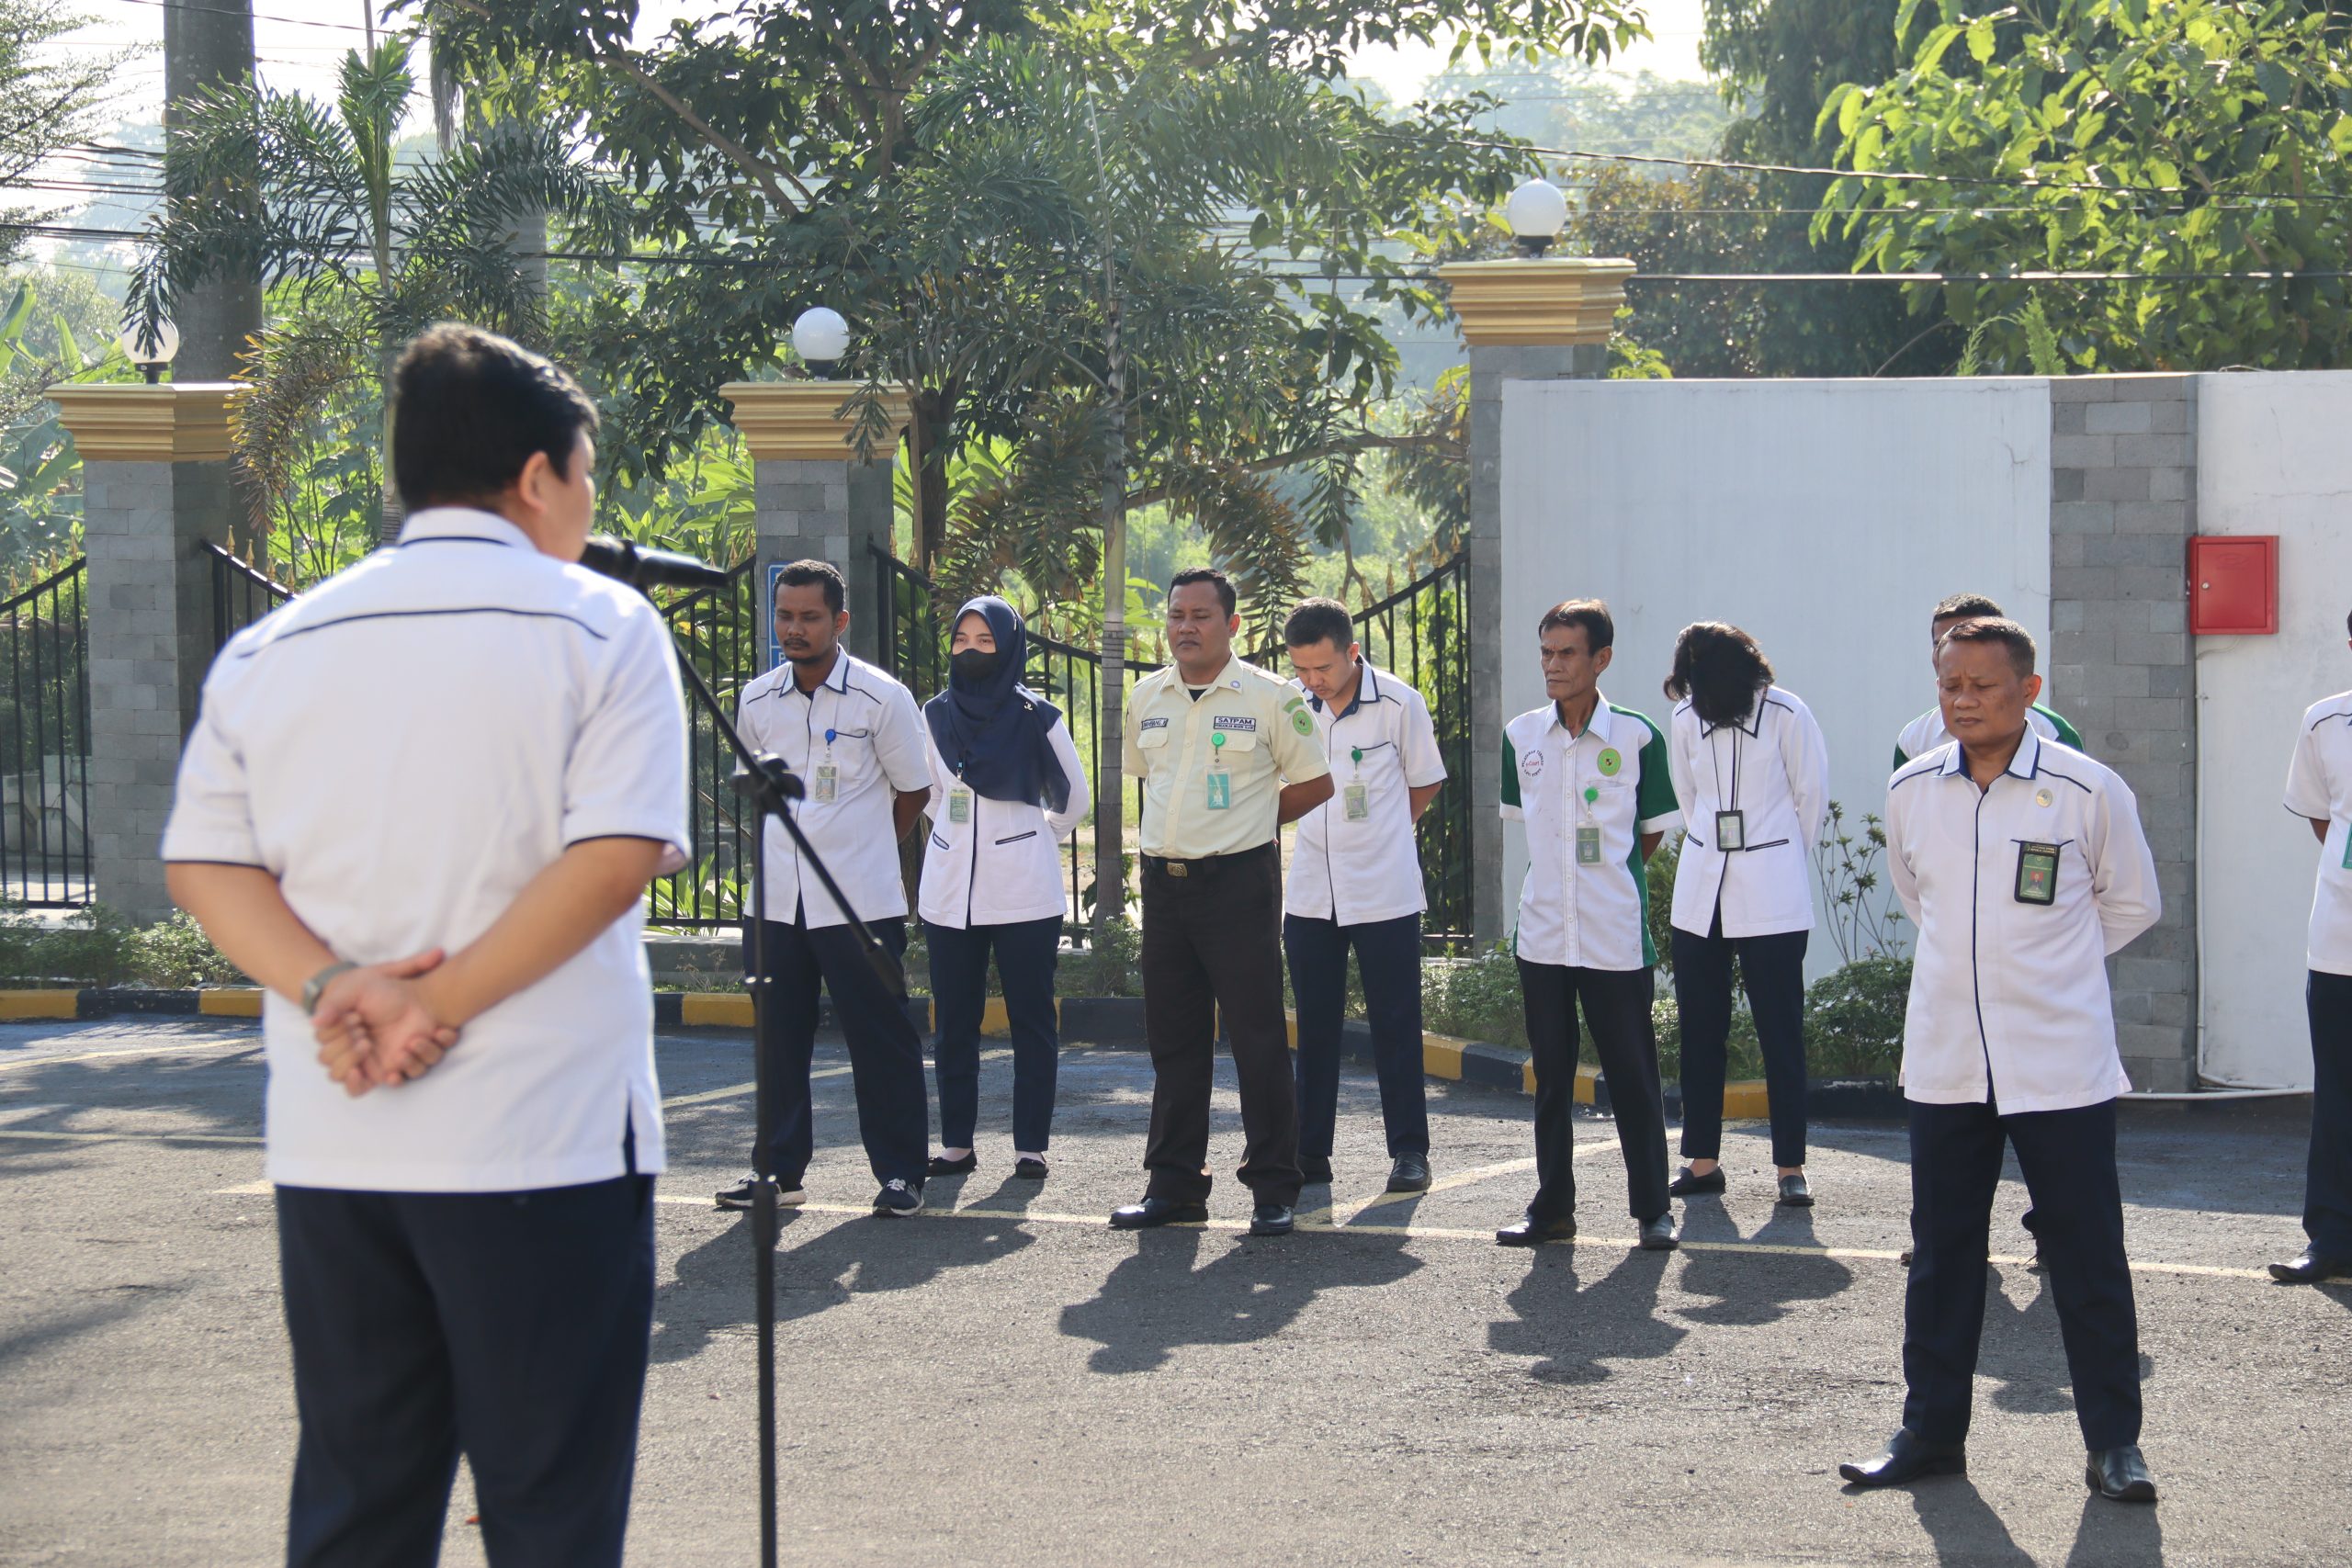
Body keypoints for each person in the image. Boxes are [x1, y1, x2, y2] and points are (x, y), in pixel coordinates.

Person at [163, 322, 690, 1566]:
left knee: (360, 1500)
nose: (589, 503)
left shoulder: (275, 646)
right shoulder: (601, 627)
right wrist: (432, 1006)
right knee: (548, 1508)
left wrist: (337, 986)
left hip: (338, 1137)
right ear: (537, 476)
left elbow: (207, 866)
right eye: (587, 473)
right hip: (543, 1138)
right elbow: (613, 859)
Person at [1843, 616, 2160, 1502]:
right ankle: (1930, 1433)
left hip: (2059, 1061)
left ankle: (2115, 1444)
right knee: (1943, 1255)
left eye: (1983, 685)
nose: (1965, 700)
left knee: (2087, 1256)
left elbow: (2130, 904)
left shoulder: (2086, 789)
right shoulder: (1912, 788)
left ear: (2030, 689)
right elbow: (1920, 898)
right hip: (1948, 1057)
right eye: (1951, 685)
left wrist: (2047, 969)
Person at [1112, 567, 1332, 1237]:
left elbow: (1316, 782)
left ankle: (1273, 1187)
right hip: (1165, 885)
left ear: (1232, 625)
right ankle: (1175, 1186)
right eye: (1176, 614)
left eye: (1201, 615)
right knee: (1174, 1041)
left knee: (1257, 1038)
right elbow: (1150, 778)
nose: (1186, 627)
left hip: (1238, 883)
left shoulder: (1271, 697)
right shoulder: (1146, 696)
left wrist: (1253, 818)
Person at [712, 560, 934, 1218]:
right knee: (777, 1039)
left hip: (858, 902)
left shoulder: (880, 697)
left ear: (840, 621)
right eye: (785, 615)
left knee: (880, 1037)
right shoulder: (757, 700)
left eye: (810, 617)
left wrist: (866, 851)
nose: (795, 628)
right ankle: (778, 1172)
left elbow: (914, 790)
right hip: (777, 902)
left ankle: (901, 1174)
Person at [1495, 600, 1681, 1252]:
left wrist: (1604, 882)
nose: (1553, 665)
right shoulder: (1521, 736)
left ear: (1601, 659)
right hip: (1544, 934)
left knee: (1632, 1076)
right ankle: (1552, 1209)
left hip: (1613, 936)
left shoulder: (1637, 737)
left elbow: (1649, 834)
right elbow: (1529, 824)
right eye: (1546, 652)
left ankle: (1653, 1209)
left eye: (1567, 653)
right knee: (1551, 1078)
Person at [919, 596, 1091, 1182]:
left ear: (1010, 645)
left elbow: (1075, 798)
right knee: (953, 1022)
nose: (971, 650)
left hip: (1023, 891)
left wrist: (1036, 835)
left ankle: (1030, 1147)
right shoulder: (934, 713)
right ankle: (956, 1144)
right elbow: (932, 793)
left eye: (985, 640)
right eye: (961, 639)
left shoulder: (1036, 715)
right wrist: (951, 838)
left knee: (1030, 1020)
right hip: (949, 891)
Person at [1283, 597, 1447, 1194]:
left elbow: (1424, 782)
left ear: (1352, 652)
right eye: (1302, 668)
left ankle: (1409, 1152)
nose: (1313, 680)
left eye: (1323, 667)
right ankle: (1309, 1153)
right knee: (1314, 1027)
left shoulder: (1400, 703)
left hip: (1384, 890)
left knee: (1396, 1024)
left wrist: (1386, 834)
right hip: (1310, 893)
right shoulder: (1289, 704)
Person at [1663, 623, 1828, 1207]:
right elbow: (1688, 797)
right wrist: (1717, 846)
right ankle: (1702, 1160)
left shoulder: (1787, 714)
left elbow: (1809, 799)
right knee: (1700, 1028)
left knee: (1780, 1030)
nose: (1693, 693)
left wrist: (1774, 858)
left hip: (1772, 891)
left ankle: (1790, 1166)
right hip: (1701, 888)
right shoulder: (1685, 717)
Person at [2274, 609, 2352, 1285]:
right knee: (2338, 1097)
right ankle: (2332, 1237)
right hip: (2340, 945)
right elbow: (2324, 819)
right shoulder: (2325, 721)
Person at [1892, 592, 2085, 770]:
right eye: (1941, 644)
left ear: (2029, 690)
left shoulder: (2053, 732)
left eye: (1983, 687)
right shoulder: (1914, 739)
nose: (1955, 652)